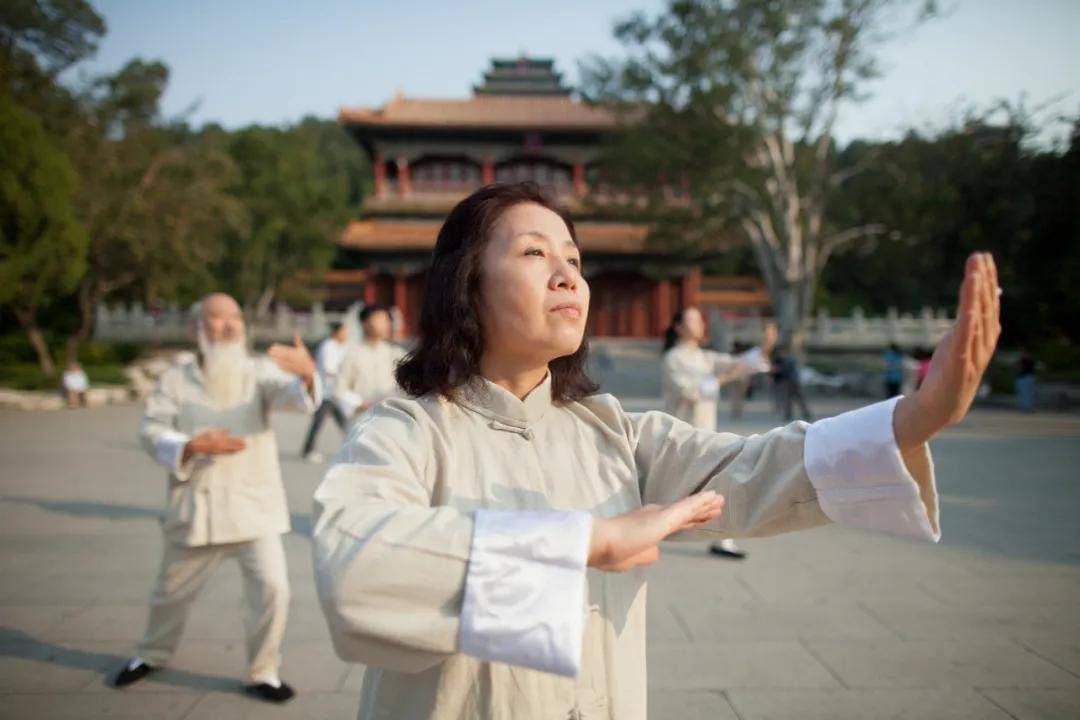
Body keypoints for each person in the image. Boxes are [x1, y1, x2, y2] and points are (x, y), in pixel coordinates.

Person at [311, 183, 1001, 720]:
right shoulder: (408, 429)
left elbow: (754, 470)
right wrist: (589, 541)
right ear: (466, 283)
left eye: (574, 261)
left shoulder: (615, 430)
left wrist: (916, 417)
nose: (567, 276)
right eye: (533, 254)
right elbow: (355, 565)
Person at [111, 293, 320, 704]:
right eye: (215, 318)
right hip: (197, 506)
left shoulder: (259, 370)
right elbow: (151, 430)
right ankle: (152, 654)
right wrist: (190, 445)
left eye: (233, 318)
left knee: (274, 589)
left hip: (252, 506)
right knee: (169, 594)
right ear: (196, 328)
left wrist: (309, 376)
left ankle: (264, 670)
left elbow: (293, 398)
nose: (225, 325)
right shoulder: (176, 377)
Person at [660, 309, 776, 559]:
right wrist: (721, 379)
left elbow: (738, 363)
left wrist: (764, 347)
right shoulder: (673, 358)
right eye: (693, 319)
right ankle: (638, 531)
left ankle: (722, 540)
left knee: (720, 484)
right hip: (681, 437)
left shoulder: (704, 357)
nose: (700, 323)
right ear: (678, 327)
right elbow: (689, 392)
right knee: (667, 489)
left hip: (705, 435)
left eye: (700, 319)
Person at [332, 304, 408, 420]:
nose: (385, 324)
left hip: (392, 417)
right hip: (363, 419)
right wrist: (360, 404)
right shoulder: (353, 354)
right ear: (364, 324)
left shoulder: (396, 353)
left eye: (387, 320)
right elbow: (338, 390)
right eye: (379, 319)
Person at [301, 322, 349, 462]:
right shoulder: (328, 347)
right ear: (336, 332)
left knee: (345, 422)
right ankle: (308, 450)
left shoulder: (340, 347)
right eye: (344, 332)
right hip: (326, 392)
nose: (347, 335)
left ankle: (355, 448)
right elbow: (328, 368)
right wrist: (344, 375)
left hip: (335, 392)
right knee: (322, 422)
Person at [772, 345, 812, 422]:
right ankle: (789, 414)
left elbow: (786, 370)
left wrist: (778, 369)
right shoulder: (783, 360)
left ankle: (804, 413)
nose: (780, 354)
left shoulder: (789, 360)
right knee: (789, 399)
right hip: (788, 382)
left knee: (797, 398)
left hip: (792, 381)